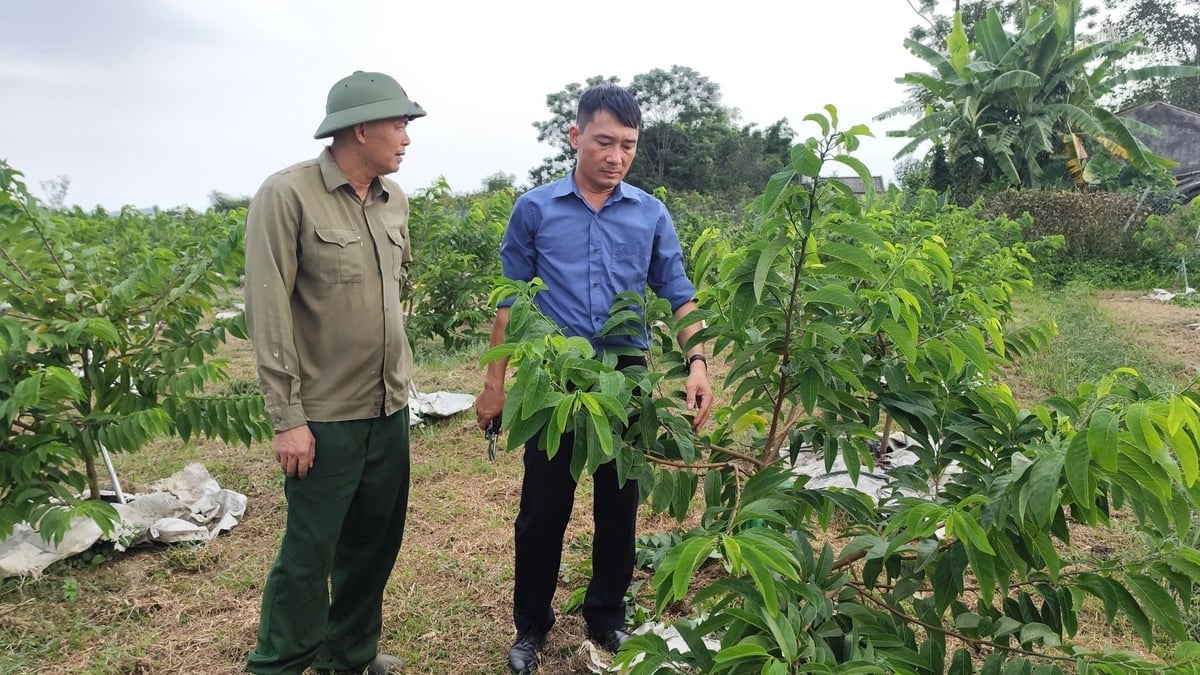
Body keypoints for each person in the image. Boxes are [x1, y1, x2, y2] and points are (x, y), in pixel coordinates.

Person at [474, 84, 714, 674]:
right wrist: (495, 382)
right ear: (575, 136)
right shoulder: (535, 209)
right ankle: (531, 625)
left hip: (626, 374)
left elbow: (679, 296)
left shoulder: (650, 212)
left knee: (619, 502)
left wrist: (699, 364)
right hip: (555, 376)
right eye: (604, 141)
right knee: (542, 508)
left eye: (628, 146)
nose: (616, 156)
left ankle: (606, 615)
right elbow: (509, 300)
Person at [242, 70, 425, 675]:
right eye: (398, 124)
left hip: (389, 408)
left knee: (373, 545)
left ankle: (349, 655)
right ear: (361, 127)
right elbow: (269, 312)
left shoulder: (393, 200)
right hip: (325, 417)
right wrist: (287, 418)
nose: (406, 137)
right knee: (308, 553)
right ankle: (280, 664)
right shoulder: (287, 195)